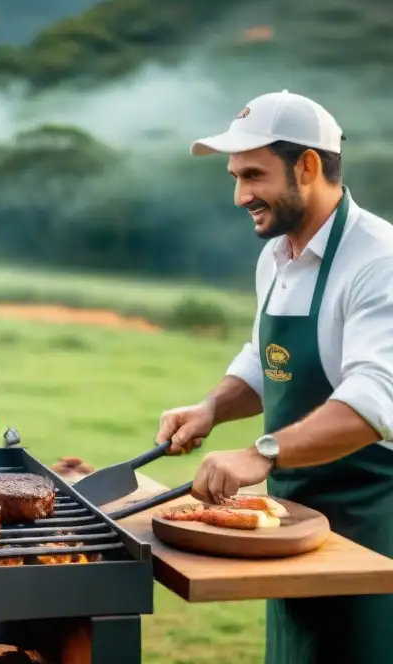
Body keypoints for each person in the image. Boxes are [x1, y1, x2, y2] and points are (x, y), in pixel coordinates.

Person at [156, 90, 393, 664]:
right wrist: (212, 407)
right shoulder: (278, 255)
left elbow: (374, 399)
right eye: (235, 177)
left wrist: (262, 452)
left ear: (308, 166)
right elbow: (264, 359)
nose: (240, 195)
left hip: (373, 524)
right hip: (294, 520)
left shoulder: (378, 259)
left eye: (254, 175)